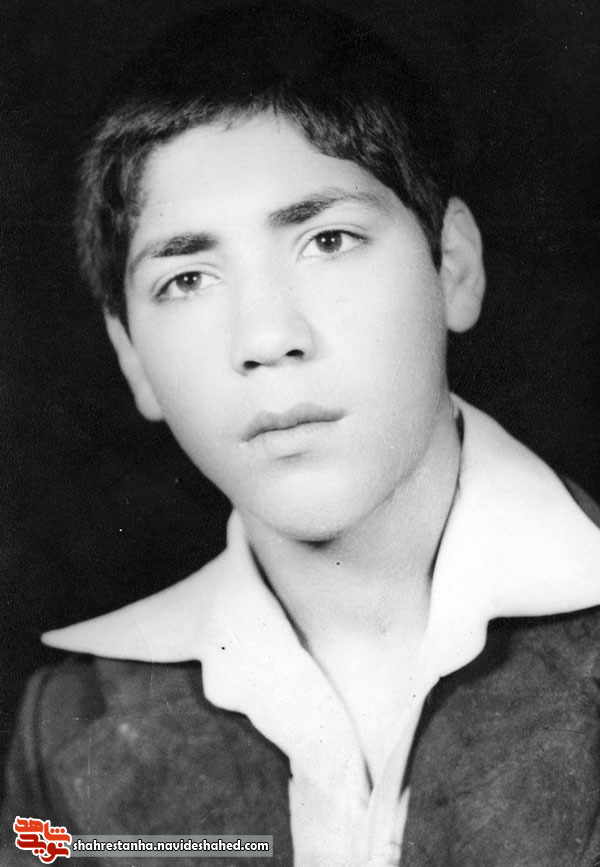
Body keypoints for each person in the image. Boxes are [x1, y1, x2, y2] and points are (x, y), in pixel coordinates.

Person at [3, 2, 600, 865]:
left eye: (328, 239)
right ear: (132, 356)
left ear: (453, 265)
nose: (266, 336)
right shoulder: (70, 726)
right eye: (187, 279)